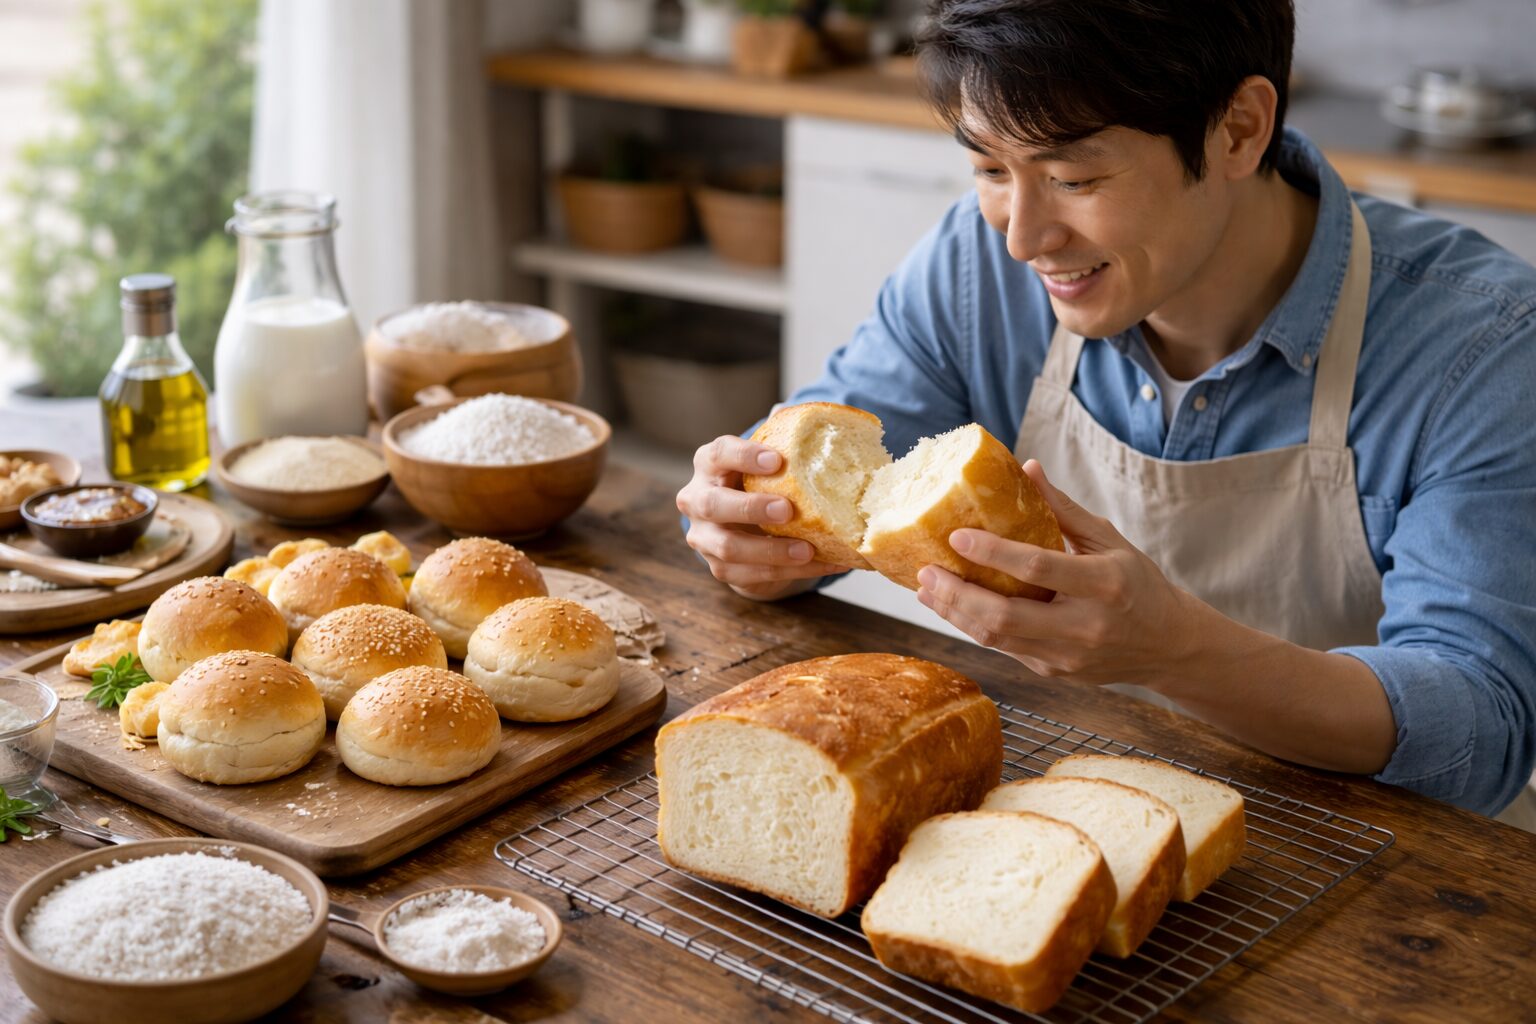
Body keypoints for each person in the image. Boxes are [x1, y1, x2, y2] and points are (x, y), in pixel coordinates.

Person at [674, 0, 1536, 827]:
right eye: (987, 169)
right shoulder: (975, 269)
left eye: (1074, 177)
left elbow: (1480, 730)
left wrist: (1178, 653)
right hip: (1055, 794)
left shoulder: (1484, 347)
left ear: (1239, 129)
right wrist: (755, 528)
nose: (1022, 235)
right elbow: (826, 500)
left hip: (1379, 873)